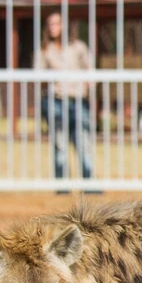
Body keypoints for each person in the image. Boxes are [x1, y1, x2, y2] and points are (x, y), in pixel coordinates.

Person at [36, 12, 94, 181]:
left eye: (56, 23)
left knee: (83, 143)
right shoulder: (45, 49)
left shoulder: (78, 47)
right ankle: (62, 184)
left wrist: (87, 86)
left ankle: (89, 183)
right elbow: (38, 74)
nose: (52, 27)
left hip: (78, 100)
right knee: (60, 144)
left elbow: (89, 70)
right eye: (50, 24)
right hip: (56, 100)